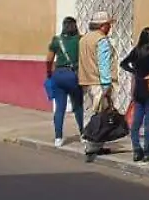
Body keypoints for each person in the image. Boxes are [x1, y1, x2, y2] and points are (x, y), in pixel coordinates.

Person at [120, 26, 149, 163]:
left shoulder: (136, 51)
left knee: (136, 122)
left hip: (139, 88)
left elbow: (123, 64)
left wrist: (135, 72)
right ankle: (148, 151)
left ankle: (137, 150)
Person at [46, 16, 84, 145]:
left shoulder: (56, 40)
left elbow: (49, 59)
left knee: (60, 107)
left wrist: (49, 74)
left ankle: (58, 137)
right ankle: (83, 134)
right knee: (78, 106)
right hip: (73, 75)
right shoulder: (80, 40)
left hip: (58, 75)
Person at [78, 12, 120, 121]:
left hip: (85, 80)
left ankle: (86, 135)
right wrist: (106, 84)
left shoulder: (83, 39)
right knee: (99, 113)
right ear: (103, 26)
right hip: (98, 82)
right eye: (108, 24)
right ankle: (95, 135)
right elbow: (104, 63)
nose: (110, 27)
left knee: (88, 112)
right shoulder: (101, 40)